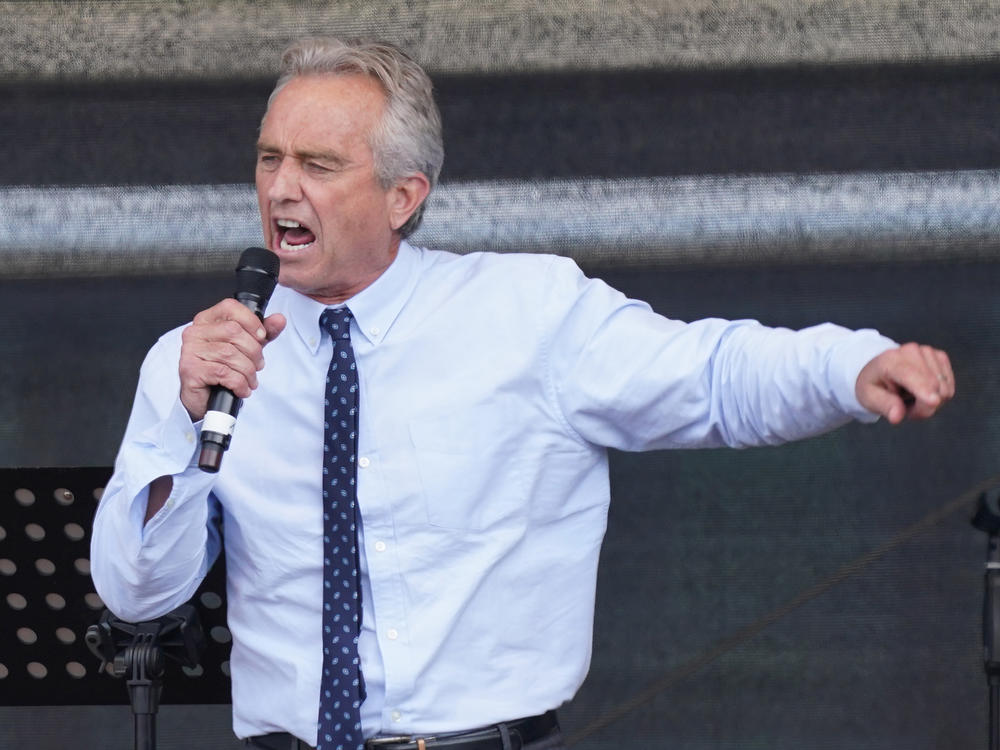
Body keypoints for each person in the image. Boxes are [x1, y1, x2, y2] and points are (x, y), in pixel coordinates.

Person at [90, 36, 954, 750]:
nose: (281, 188)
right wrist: (186, 425)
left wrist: (847, 368)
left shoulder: (526, 313)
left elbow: (710, 377)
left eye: (319, 164)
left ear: (403, 196)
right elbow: (136, 596)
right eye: (270, 158)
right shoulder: (199, 357)